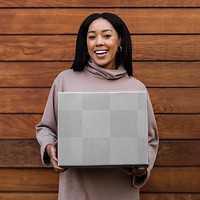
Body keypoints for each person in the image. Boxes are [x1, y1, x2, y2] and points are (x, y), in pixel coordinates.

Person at [36, 12, 159, 200]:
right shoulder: (65, 80)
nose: (99, 42)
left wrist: (142, 167)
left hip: (121, 192)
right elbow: (46, 128)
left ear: (120, 42)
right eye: (92, 37)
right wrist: (49, 148)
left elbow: (150, 141)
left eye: (107, 35)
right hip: (75, 191)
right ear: (85, 44)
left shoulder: (136, 88)